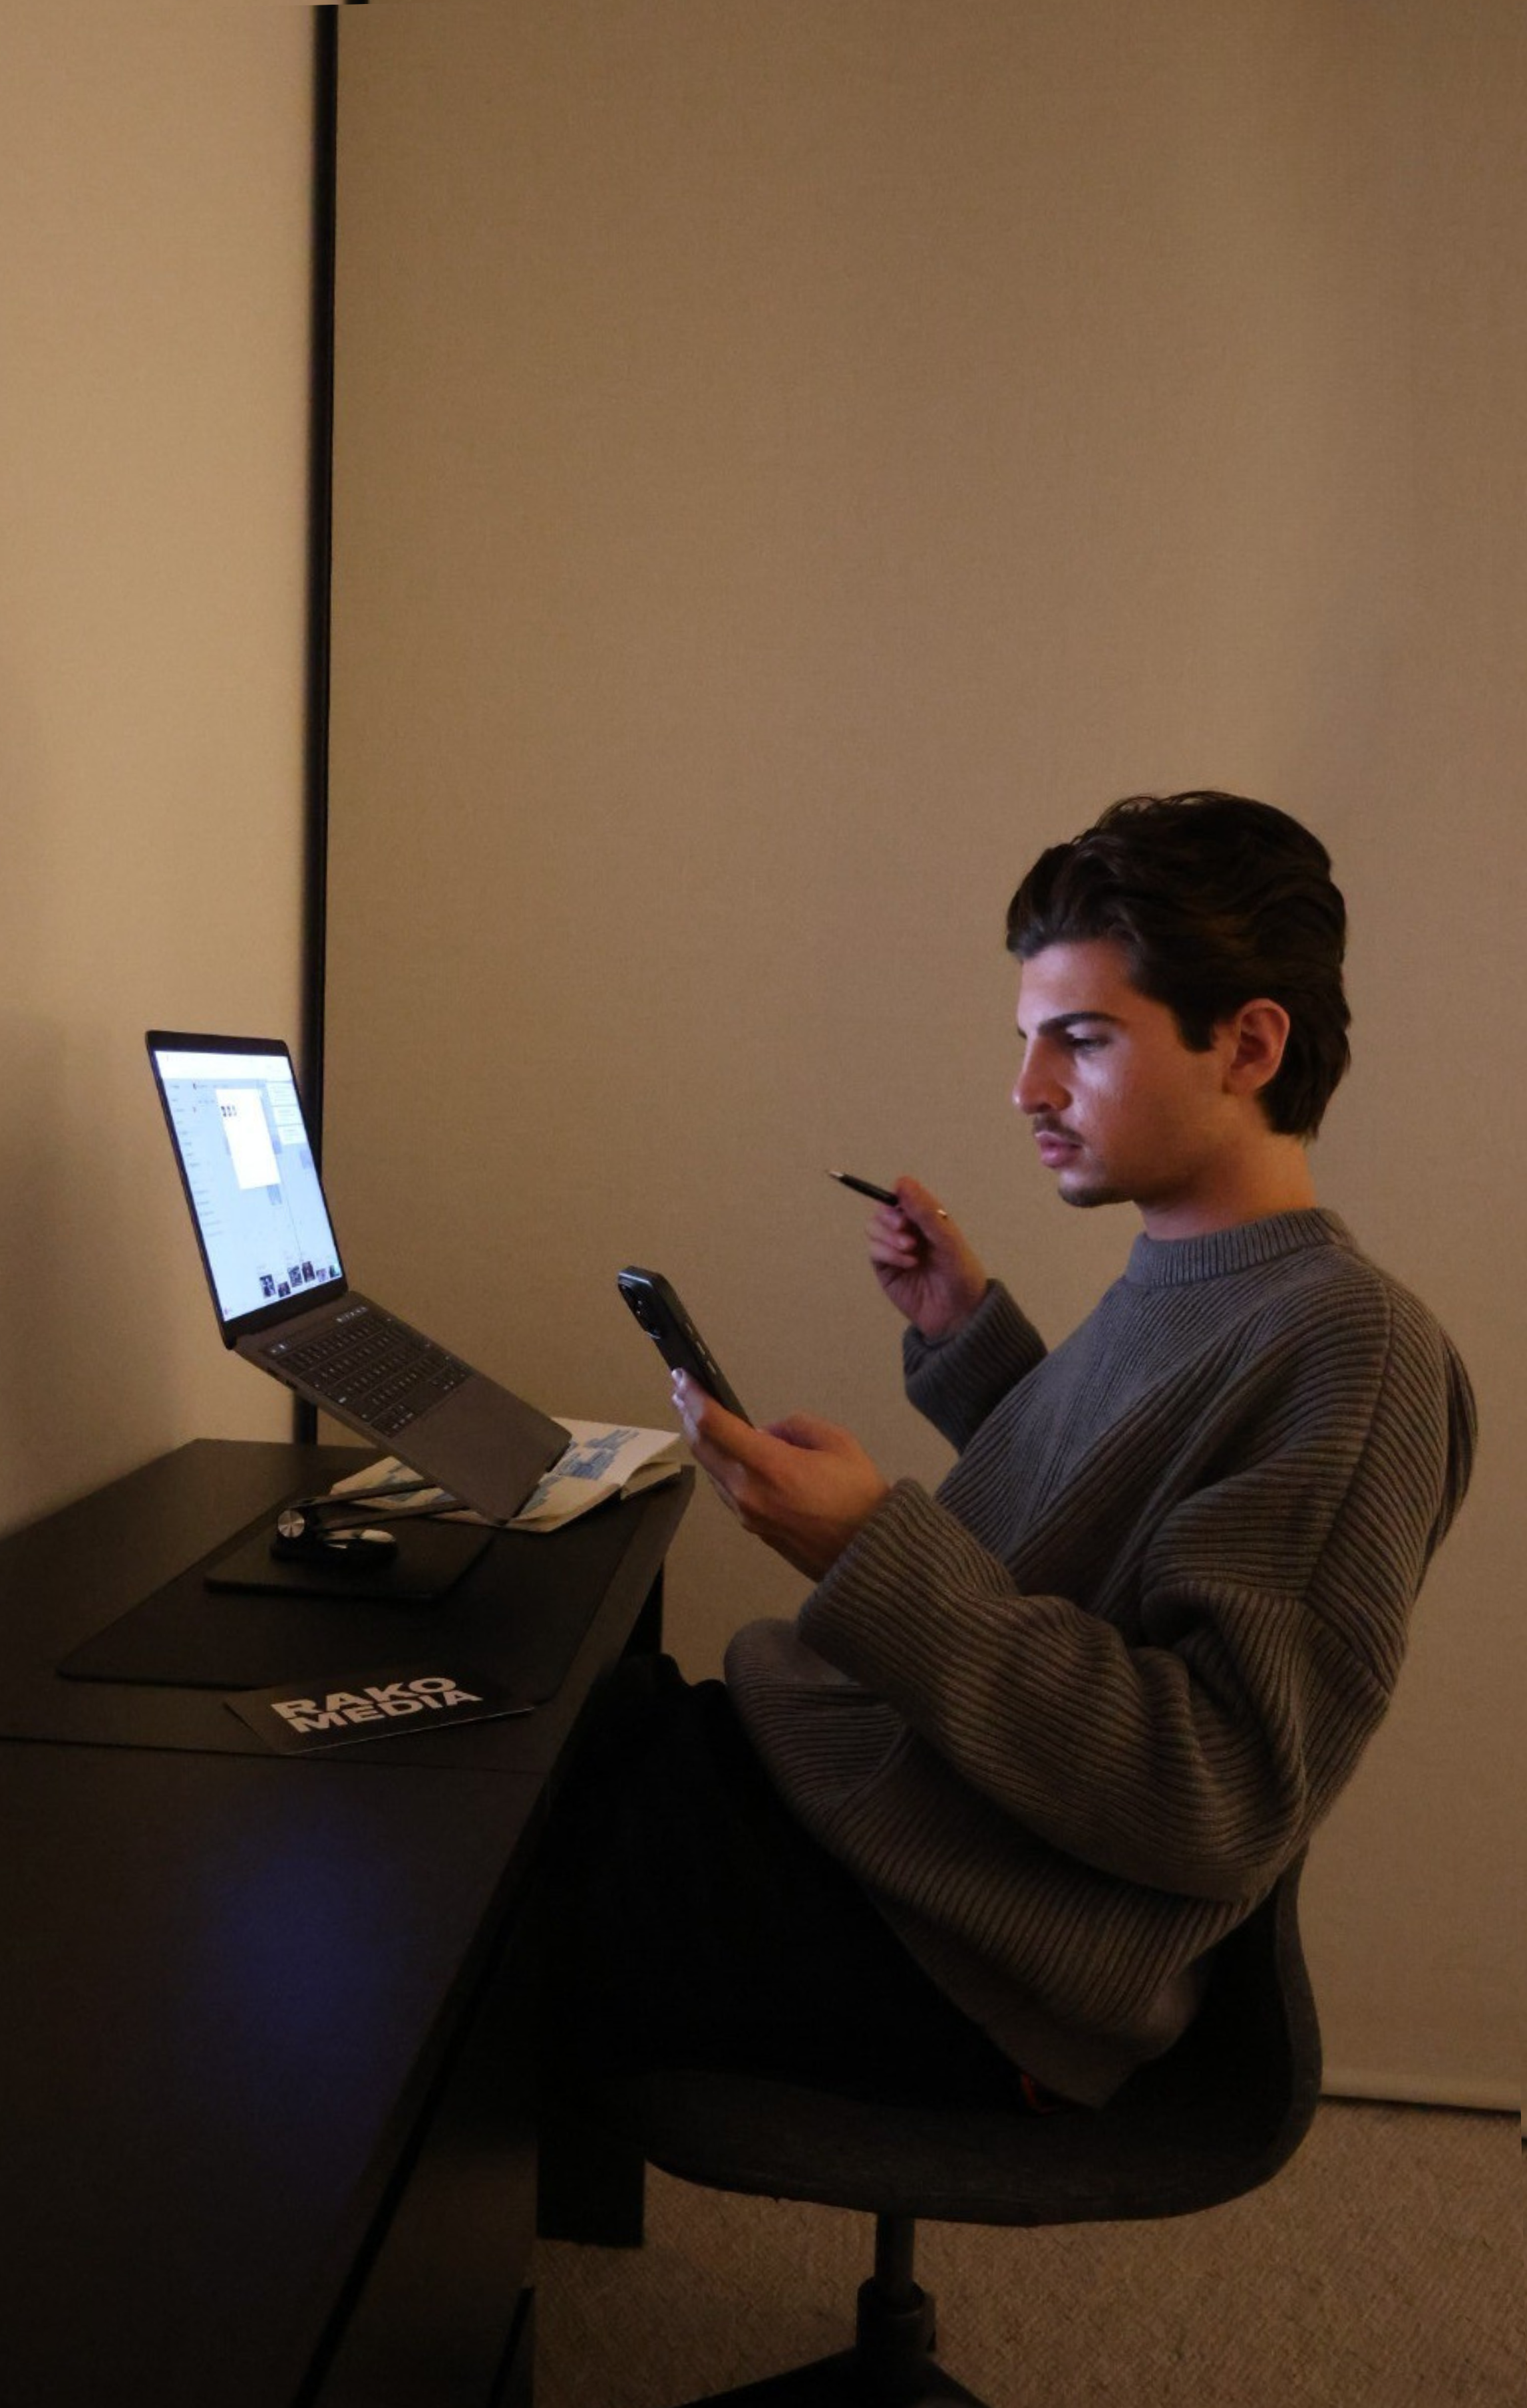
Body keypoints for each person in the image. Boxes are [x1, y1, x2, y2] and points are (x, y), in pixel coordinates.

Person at [544, 790, 1475, 2115]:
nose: (1026, 1089)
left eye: (1080, 1042)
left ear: (1248, 1044)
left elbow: (1213, 1792)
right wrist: (972, 1346)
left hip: (958, 1947)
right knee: (522, 1749)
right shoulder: (1194, 1267)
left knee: (452, 1908)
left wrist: (872, 1552)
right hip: (864, 1802)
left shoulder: (1352, 1347)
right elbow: (1122, 1528)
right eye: (1028, 1040)